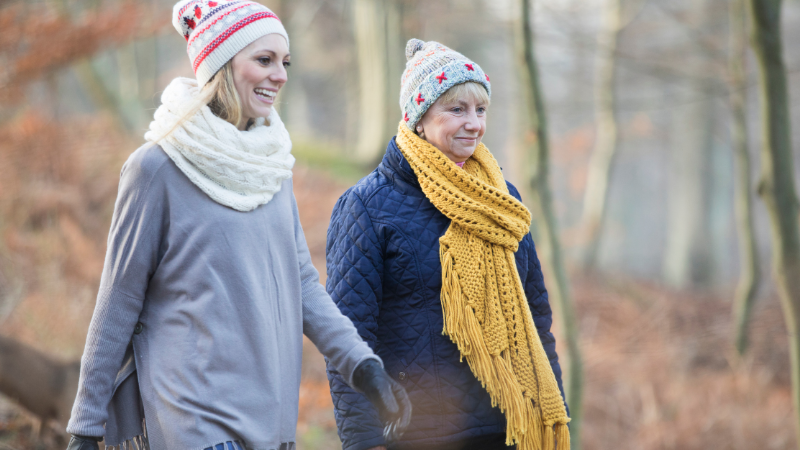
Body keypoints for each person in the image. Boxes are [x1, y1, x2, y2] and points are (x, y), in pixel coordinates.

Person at [64, 2, 410, 450]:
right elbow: (119, 300)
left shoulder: (270, 167)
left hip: (271, 418)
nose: (280, 75)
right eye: (263, 60)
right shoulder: (156, 168)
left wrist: (365, 367)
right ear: (222, 65)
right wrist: (85, 426)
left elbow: (302, 282)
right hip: (193, 420)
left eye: (284, 62)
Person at [325, 39, 570, 450]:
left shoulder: (501, 198)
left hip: (513, 427)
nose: (473, 123)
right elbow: (348, 338)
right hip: (420, 434)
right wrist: (364, 440)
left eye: (480, 110)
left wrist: (552, 408)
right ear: (418, 118)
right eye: (456, 110)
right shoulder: (367, 206)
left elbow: (536, 320)